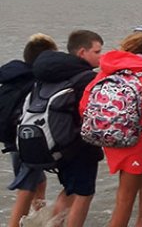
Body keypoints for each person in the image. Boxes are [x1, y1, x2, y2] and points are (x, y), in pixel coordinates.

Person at [81, 32, 142, 227]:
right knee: (125, 199)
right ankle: (136, 221)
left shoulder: (105, 74)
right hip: (136, 144)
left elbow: (84, 105)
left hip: (107, 136)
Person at [21, 30, 104, 227]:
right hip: (78, 145)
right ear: (82, 52)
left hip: (55, 143)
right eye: (97, 51)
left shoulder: (49, 73)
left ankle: (50, 224)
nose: (101, 56)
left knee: (69, 190)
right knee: (83, 194)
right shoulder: (84, 77)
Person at [3, 34, 57, 227]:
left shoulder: (13, 78)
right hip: (29, 140)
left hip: (12, 138)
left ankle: (37, 217)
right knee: (26, 188)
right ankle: (15, 224)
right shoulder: (37, 83)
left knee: (37, 181)